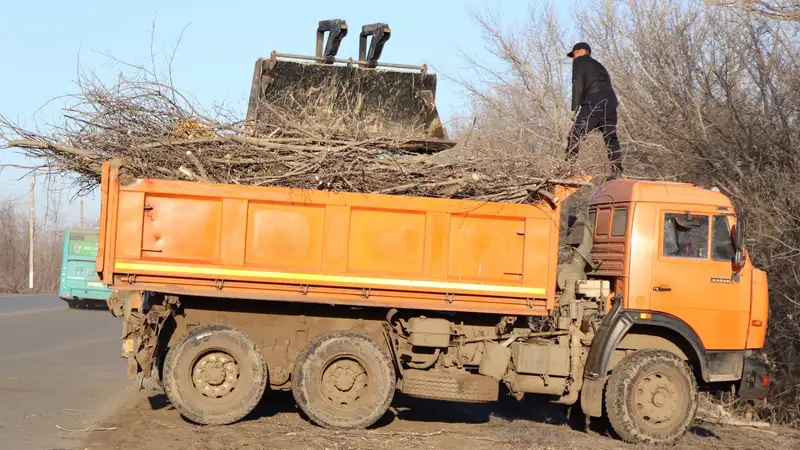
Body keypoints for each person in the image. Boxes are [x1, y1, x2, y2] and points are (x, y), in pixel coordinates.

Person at [565, 42, 623, 177]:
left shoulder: (579, 61)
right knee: (610, 136)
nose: (573, 57)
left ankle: (567, 169)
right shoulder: (600, 66)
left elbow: (577, 84)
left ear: (581, 51)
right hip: (610, 102)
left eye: (574, 53)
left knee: (575, 134)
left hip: (594, 100)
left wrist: (574, 107)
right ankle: (617, 170)